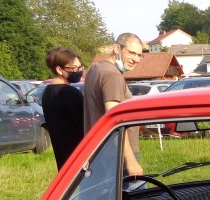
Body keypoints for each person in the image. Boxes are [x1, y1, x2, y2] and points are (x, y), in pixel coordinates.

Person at [83, 33, 144, 176]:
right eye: (131, 53)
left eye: (139, 55)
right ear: (117, 48)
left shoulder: (95, 68)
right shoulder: (113, 75)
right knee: (136, 189)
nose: (136, 59)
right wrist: (130, 161)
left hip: (99, 149)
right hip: (117, 154)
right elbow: (115, 120)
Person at [40, 47, 85, 169]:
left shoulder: (47, 92)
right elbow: (85, 127)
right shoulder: (70, 93)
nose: (78, 71)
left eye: (80, 67)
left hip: (62, 159)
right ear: (59, 69)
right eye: (73, 68)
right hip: (79, 158)